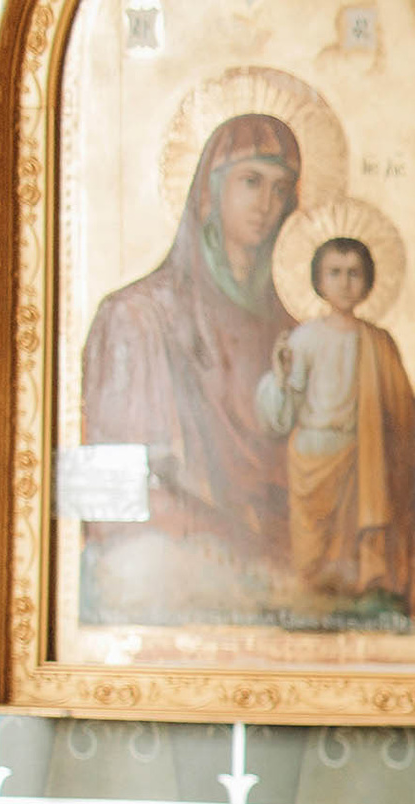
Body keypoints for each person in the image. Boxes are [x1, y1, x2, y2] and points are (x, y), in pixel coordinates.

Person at [80, 113, 301, 625]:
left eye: (281, 188)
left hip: (277, 574)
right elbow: (122, 486)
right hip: (176, 565)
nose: (266, 203)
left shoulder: (293, 336)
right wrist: (231, 540)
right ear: (208, 191)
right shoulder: (139, 316)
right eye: (251, 181)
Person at [255, 235, 415, 619]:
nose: (345, 283)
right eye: (335, 273)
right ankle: (313, 602)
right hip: (314, 453)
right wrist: (280, 380)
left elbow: (403, 413)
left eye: (354, 273)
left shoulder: (379, 342)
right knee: (314, 547)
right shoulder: (306, 338)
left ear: (369, 281)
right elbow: (282, 413)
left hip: (364, 456)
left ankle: (356, 601)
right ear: (319, 280)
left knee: (355, 547)